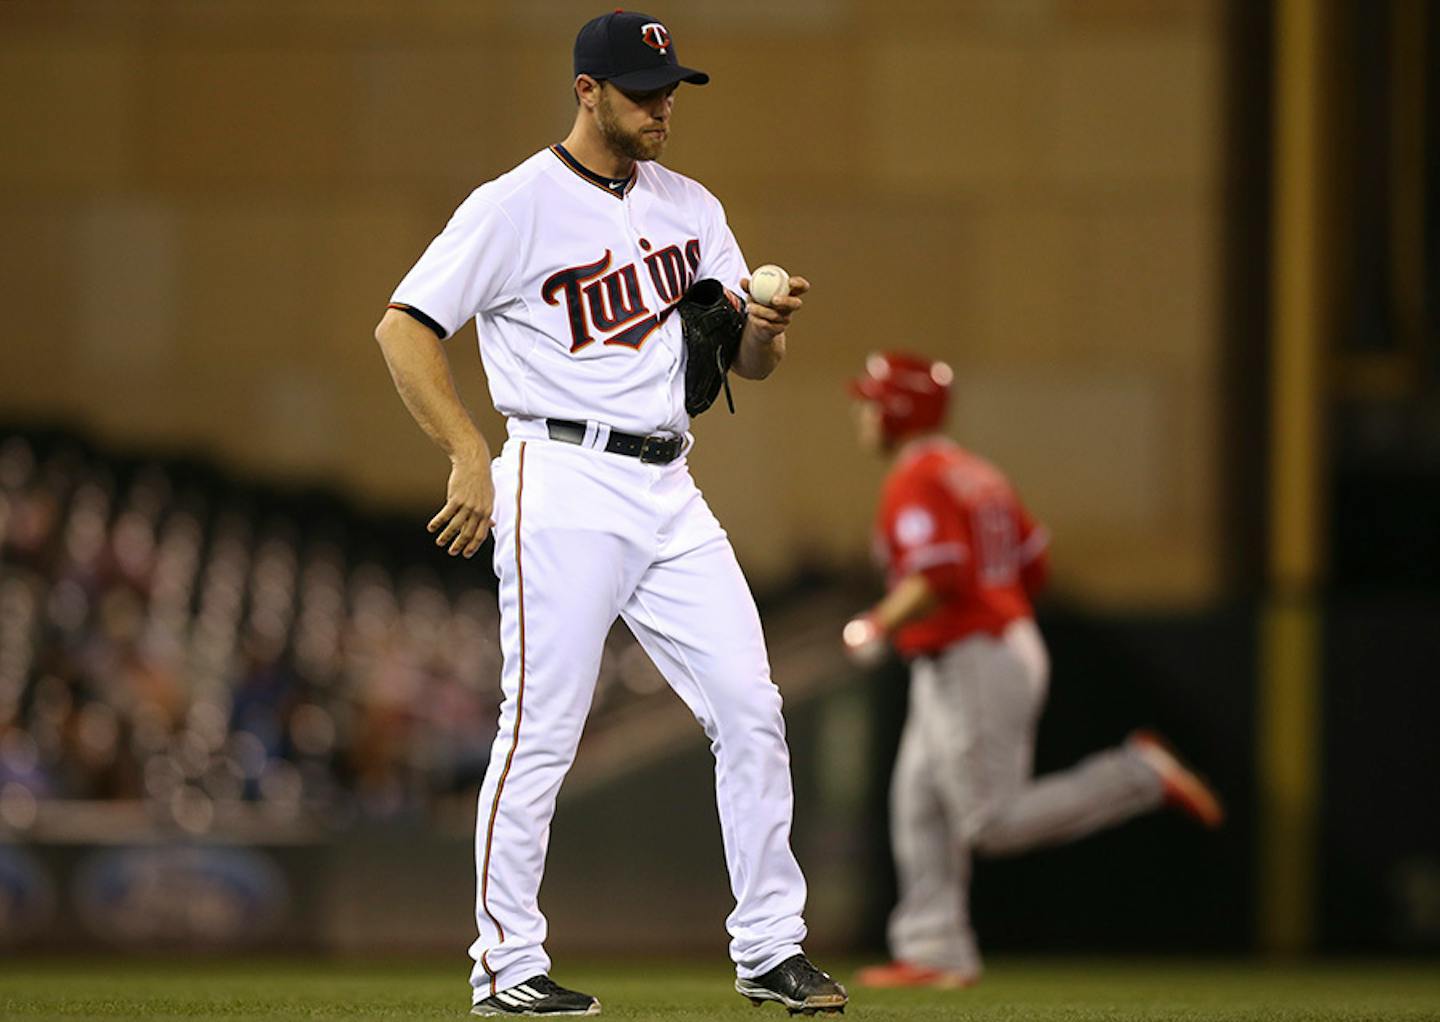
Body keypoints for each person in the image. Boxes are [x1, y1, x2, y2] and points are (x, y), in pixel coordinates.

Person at [373, 10, 846, 1018]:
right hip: (563, 472)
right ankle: (506, 965)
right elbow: (404, 326)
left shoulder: (691, 206)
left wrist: (764, 327)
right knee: (541, 727)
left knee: (752, 706)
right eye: (640, 88)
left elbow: (746, 366)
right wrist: (467, 452)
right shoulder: (515, 205)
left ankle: (770, 947)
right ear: (586, 90)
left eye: (670, 87)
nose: (662, 104)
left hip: (670, 483)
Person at [842, 351, 1224, 990]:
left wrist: (879, 623)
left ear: (898, 409)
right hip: (987, 646)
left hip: (972, 654)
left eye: (871, 401)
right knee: (918, 801)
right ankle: (934, 948)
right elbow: (1034, 564)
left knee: (989, 822)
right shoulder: (975, 472)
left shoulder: (919, 478)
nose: (862, 413)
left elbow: (940, 573)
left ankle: (1136, 775)